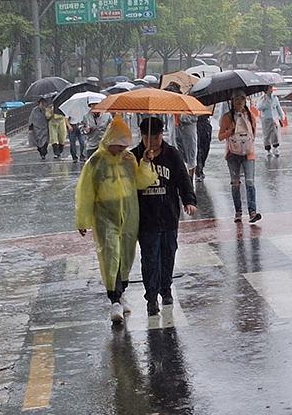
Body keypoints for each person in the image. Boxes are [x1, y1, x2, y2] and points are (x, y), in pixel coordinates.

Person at [75, 117, 159, 324]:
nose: (120, 149)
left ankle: (121, 294)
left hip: (129, 215)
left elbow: (141, 182)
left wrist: (146, 162)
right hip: (105, 217)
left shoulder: (129, 159)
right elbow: (85, 192)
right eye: (118, 145)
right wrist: (83, 220)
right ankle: (114, 299)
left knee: (125, 257)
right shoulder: (95, 162)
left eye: (124, 146)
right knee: (110, 255)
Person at [133, 117, 198, 316]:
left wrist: (189, 200)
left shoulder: (172, 155)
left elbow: (183, 179)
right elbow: (128, 184)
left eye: (155, 137)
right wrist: (144, 161)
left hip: (169, 216)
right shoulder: (133, 156)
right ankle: (151, 296)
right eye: (147, 137)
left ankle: (166, 288)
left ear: (162, 135)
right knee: (150, 258)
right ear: (142, 137)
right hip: (146, 219)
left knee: (168, 254)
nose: (151, 141)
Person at [218, 90, 262, 223]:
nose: (239, 102)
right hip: (232, 154)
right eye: (236, 99)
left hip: (248, 153)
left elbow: (253, 134)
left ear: (245, 101)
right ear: (232, 101)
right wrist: (229, 132)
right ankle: (238, 211)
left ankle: (252, 211)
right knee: (235, 183)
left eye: (242, 99)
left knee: (250, 181)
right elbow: (220, 136)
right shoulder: (227, 117)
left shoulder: (249, 115)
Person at [259, 84, 287, 158]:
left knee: (275, 134)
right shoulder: (262, 98)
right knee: (267, 135)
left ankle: (275, 148)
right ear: (266, 90)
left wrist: (282, 116)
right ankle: (268, 149)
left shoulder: (275, 98)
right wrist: (264, 101)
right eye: (269, 88)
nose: (271, 90)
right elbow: (259, 107)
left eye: (271, 88)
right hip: (266, 119)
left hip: (274, 119)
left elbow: (278, 107)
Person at [65, 99, 89, 163]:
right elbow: (66, 119)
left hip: (80, 125)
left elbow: (85, 117)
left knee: (82, 142)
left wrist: (85, 125)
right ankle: (74, 157)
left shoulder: (83, 108)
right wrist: (69, 126)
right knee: (72, 143)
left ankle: (82, 156)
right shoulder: (70, 108)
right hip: (72, 126)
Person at [28, 96, 52, 161]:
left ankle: (44, 152)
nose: (43, 105)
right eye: (41, 103)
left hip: (45, 129)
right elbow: (31, 119)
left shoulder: (46, 110)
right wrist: (30, 127)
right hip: (37, 129)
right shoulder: (34, 110)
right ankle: (41, 152)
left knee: (45, 142)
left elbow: (49, 117)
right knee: (38, 143)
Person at [195, 111, 213, 182]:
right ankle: (198, 170)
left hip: (206, 124)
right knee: (198, 149)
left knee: (205, 148)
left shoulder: (207, 101)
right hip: (196, 124)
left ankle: (200, 167)